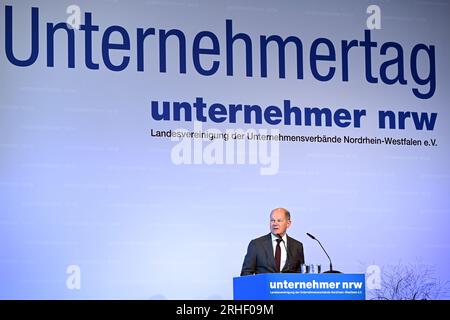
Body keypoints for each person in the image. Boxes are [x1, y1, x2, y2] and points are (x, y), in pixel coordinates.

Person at [240, 208, 305, 275]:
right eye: (272, 220)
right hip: (263, 285)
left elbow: (300, 273)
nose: (275, 223)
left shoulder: (297, 246)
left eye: (279, 220)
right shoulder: (256, 244)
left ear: (288, 223)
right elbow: (246, 273)